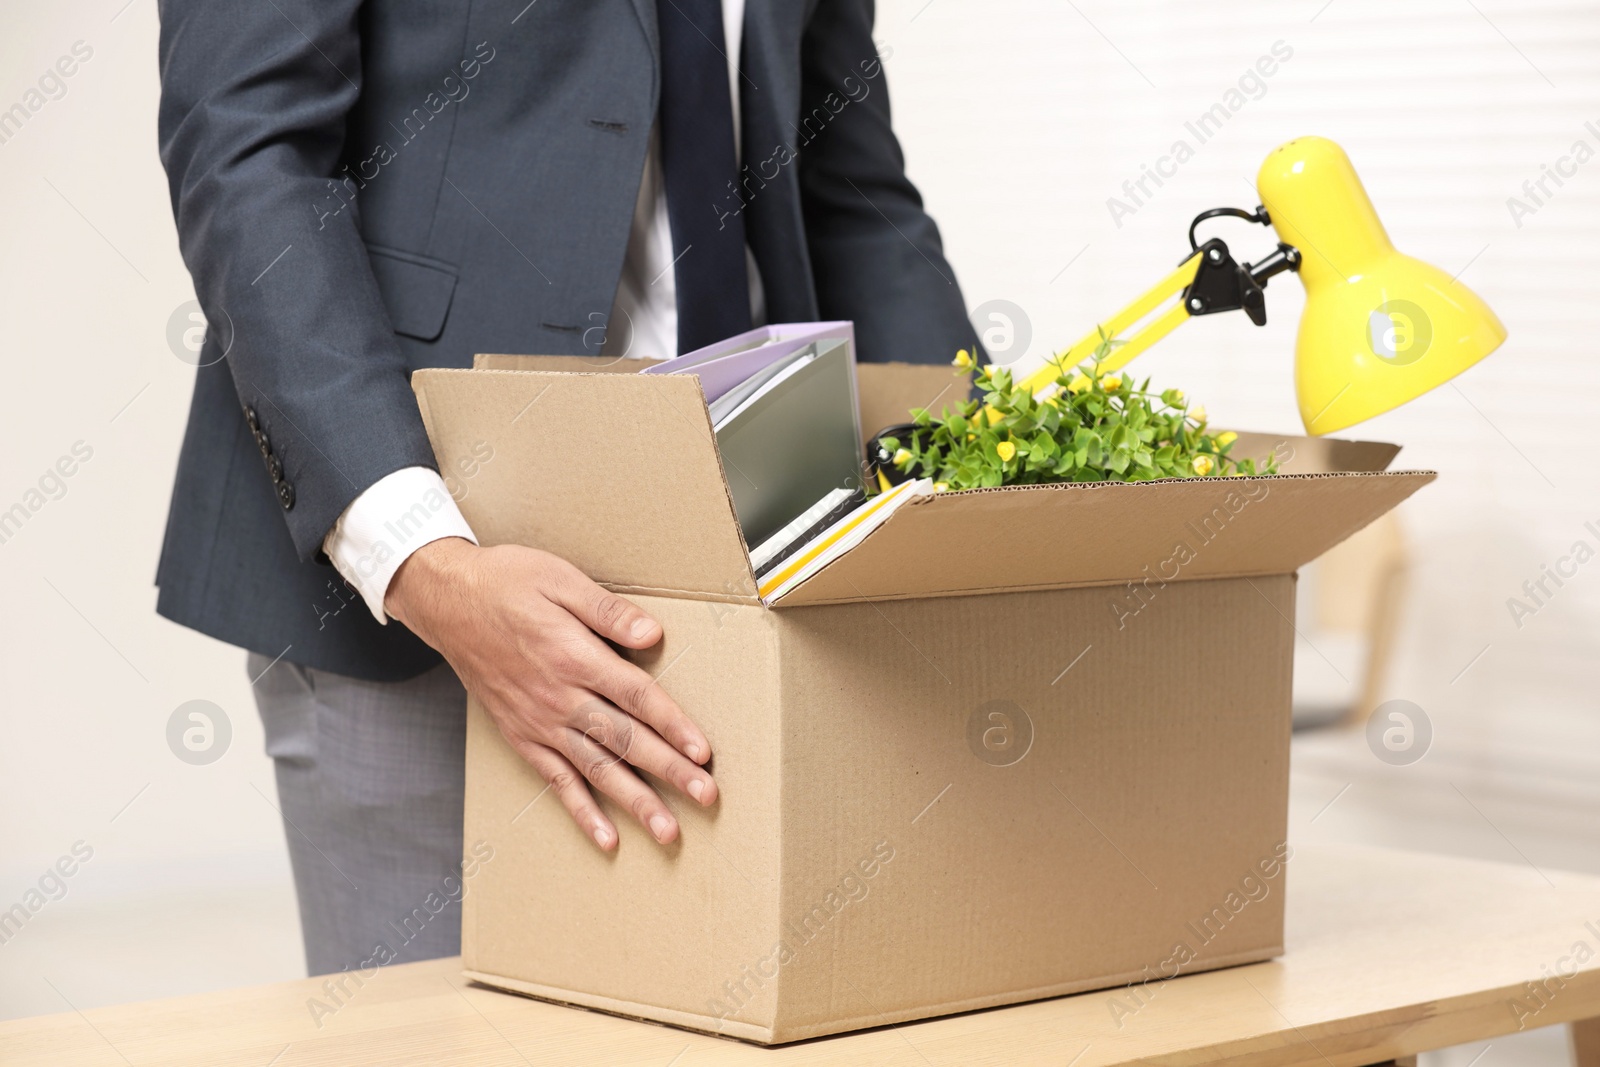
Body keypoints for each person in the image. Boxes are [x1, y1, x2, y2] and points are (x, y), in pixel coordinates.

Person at [154, 0, 977, 977]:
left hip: (749, 539)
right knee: (429, 1036)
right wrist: (427, 564)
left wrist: (978, 481)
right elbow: (245, 151)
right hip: (422, 556)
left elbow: (851, 182)